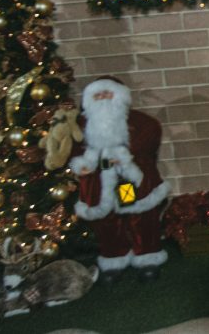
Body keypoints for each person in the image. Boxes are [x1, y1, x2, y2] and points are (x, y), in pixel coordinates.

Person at [70, 77, 170, 284]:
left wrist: (125, 155)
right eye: (98, 95)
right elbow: (74, 149)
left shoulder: (139, 122)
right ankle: (114, 259)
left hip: (126, 181)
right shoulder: (81, 126)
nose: (103, 98)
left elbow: (150, 139)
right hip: (98, 183)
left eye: (108, 93)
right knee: (107, 223)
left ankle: (146, 258)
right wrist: (85, 163)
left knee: (138, 216)